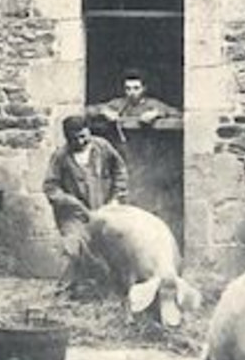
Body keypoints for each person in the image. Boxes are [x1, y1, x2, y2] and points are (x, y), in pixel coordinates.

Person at [42, 113, 129, 286]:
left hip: (101, 209)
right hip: (73, 216)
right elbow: (50, 187)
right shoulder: (61, 157)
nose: (81, 141)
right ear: (68, 138)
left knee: (110, 248)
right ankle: (68, 289)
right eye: (75, 139)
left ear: (89, 131)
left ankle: (106, 288)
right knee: (74, 249)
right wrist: (69, 202)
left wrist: (116, 197)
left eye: (83, 136)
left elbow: (120, 170)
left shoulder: (102, 147)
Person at [88, 69, 181, 129]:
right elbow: (89, 110)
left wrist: (158, 113)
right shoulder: (119, 103)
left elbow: (177, 113)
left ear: (144, 88)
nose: (132, 92)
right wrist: (104, 112)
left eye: (136, 88)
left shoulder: (153, 104)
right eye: (128, 89)